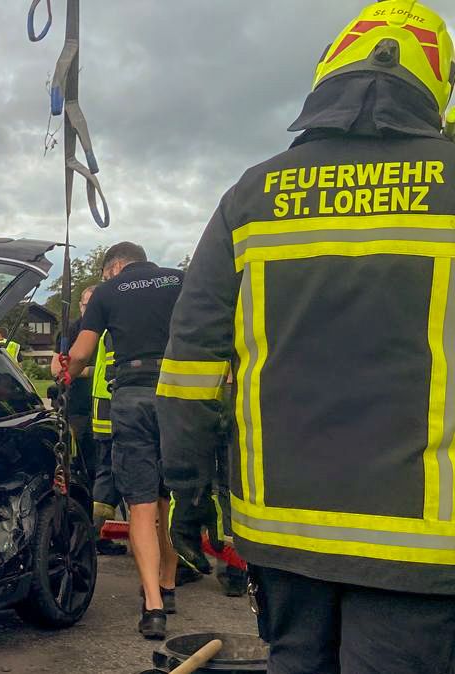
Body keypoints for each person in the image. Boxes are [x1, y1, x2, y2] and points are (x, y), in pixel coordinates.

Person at [156, 2, 455, 670]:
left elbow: (190, 367)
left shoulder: (251, 196)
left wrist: (189, 493)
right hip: (427, 546)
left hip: (282, 533)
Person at [61, 241, 184, 639]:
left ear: (113, 268)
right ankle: (169, 580)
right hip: (179, 396)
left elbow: (82, 352)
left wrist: (63, 373)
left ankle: (154, 607)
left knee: (141, 506)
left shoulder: (108, 292)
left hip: (133, 399)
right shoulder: (180, 280)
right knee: (169, 499)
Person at [89, 330, 127, 556]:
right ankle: (97, 533)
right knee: (111, 471)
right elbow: (115, 373)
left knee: (107, 471)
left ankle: (96, 533)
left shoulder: (107, 329)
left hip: (106, 407)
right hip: (113, 406)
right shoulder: (116, 329)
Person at [56, 286, 99, 483]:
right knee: (80, 459)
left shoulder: (111, 329)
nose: (89, 311)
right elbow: (56, 369)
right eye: (86, 305)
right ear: (80, 306)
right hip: (77, 407)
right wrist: (92, 371)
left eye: (94, 306)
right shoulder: (70, 331)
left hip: (106, 406)